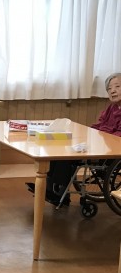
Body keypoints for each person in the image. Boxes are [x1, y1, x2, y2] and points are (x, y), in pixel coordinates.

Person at [26, 72, 121, 205]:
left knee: (68, 155)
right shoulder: (111, 108)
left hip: (112, 151)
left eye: (117, 86)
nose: (112, 91)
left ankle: (58, 192)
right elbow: (99, 125)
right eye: (109, 88)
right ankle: (53, 188)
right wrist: (89, 132)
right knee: (61, 149)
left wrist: (101, 136)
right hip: (101, 145)